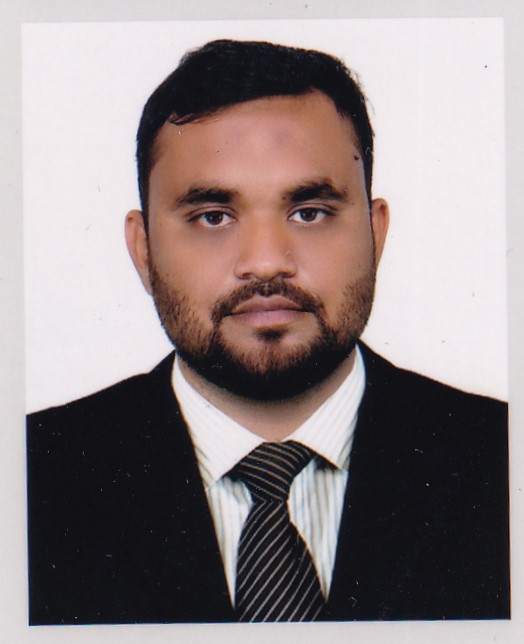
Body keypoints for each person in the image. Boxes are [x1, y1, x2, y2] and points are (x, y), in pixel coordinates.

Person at [26, 39, 509, 625]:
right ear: (143, 249)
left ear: (375, 234)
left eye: (309, 212)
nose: (265, 262)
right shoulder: (27, 477)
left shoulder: (504, 459)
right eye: (213, 217)